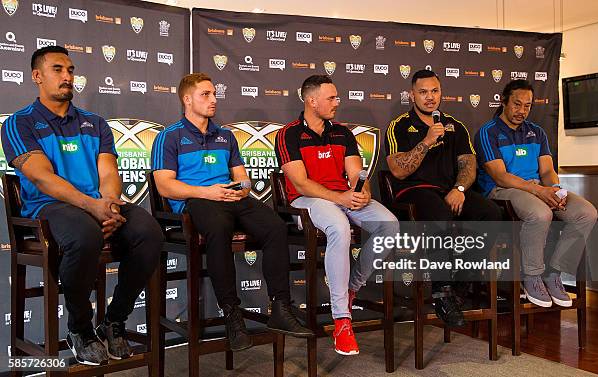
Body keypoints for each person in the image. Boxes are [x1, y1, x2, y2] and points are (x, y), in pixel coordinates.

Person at [1, 46, 164, 365]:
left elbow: (108, 172)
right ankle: (79, 329)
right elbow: (44, 179)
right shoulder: (19, 123)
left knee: (149, 233)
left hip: (98, 206)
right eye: (58, 69)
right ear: (37, 76)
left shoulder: (96, 123)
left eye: (71, 70)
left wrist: (111, 206)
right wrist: (94, 206)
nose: (67, 76)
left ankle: (114, 321)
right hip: (48, 210)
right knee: (85, 234)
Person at [151, 73, 313, 351]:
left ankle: (280, 308)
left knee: (275, 226)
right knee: (218, 227)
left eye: (214, 94)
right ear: (187, 99)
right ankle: (231, 313)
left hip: (230, 197)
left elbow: (244, 178)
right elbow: (164, 186)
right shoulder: (170, 136)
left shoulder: (225, 135)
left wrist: (241, 188)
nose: (214, 99)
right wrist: (208, 191)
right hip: (196, 202)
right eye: (206, 94)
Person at [275, 74, 399, 356]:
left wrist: (362, 190)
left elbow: (356, 172)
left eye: (337, 97)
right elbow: (301, 183)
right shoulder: (289, 133)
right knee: (340, 228)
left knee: (390, 225)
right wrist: (339, 197)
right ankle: (342, 319)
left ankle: (352, 286)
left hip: (343, 196)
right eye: (331, 98)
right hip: (307, 201)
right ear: (311, 100)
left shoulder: (342, 132)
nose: (337, 102)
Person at [385, 69, 502, 327]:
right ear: (411, 95)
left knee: (490, 213)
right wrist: (426, 141)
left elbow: (469, 165)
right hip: (414, 192)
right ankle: (441, 291)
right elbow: (398, 170)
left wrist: (459, 189)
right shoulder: (400, 125)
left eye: (434, 91)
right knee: (440, 213)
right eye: (423, 92)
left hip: (449, 191)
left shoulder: (455, 126)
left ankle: (461, 283)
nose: (430, 97)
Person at [474, 79, 598, 308]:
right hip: (503, 191)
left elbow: (548, 170)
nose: (522, 111)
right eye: (517, 104)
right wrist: (539, 191)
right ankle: (531, 276)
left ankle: (554, 272)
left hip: (538, 188)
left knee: (587, 213)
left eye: (527, 106)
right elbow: (500, 176)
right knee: (541, 214)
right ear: (503, 102)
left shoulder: (537, 132)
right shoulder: (488, 132)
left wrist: (555, 190)